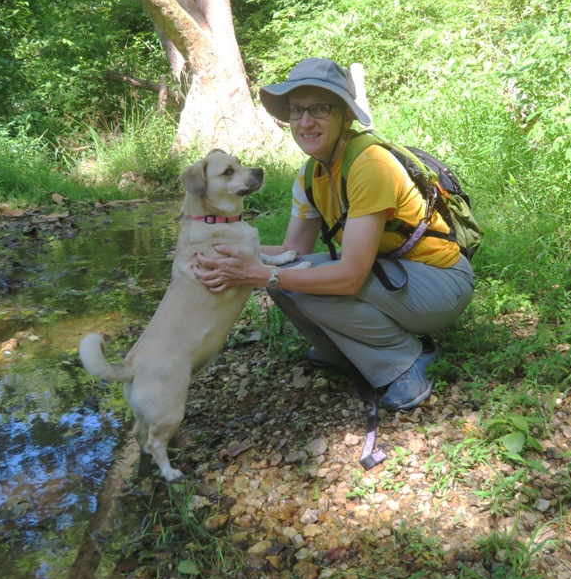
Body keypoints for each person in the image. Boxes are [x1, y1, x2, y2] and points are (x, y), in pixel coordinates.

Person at [193, 57, 475, 411]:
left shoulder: (371, 166)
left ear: (345, 115)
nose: (305, 122)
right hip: (394, 273)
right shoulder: (311, 174)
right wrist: (221, 249)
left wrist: (260, 273)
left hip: (441, 283)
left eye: (320, 109)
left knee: (296, 282)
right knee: (287, 275)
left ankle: (409, 360)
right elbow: (292, 250)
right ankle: (342, 350)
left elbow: (351, 276)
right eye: (296, 111)